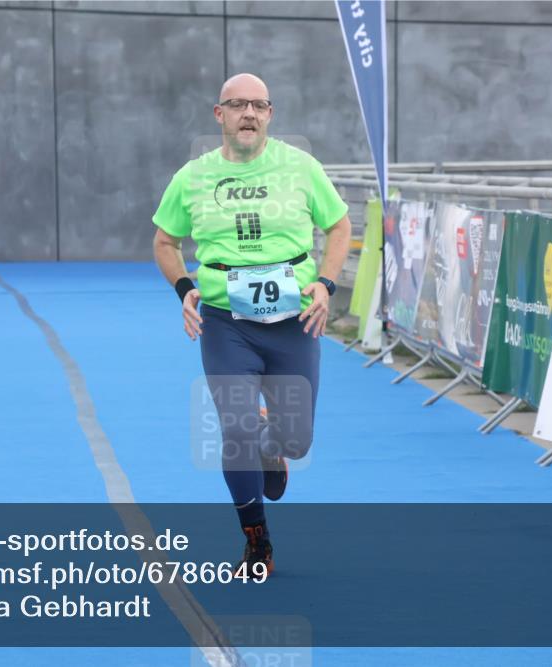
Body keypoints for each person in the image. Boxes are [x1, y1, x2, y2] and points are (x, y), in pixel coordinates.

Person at [152, 73, 352, 578]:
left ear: (270, 114)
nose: (249, 113)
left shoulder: (300, 167)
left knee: (297, 442)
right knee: (235, 429)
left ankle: (273, 443)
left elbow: (339, 226)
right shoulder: (193, 177)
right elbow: (164, 242)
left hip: (295, 321)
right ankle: (256, 538)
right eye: (237, 105)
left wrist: (326, 284)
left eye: (258, 106)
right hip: (226, 323)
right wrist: (184, 289)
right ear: (218, 115)